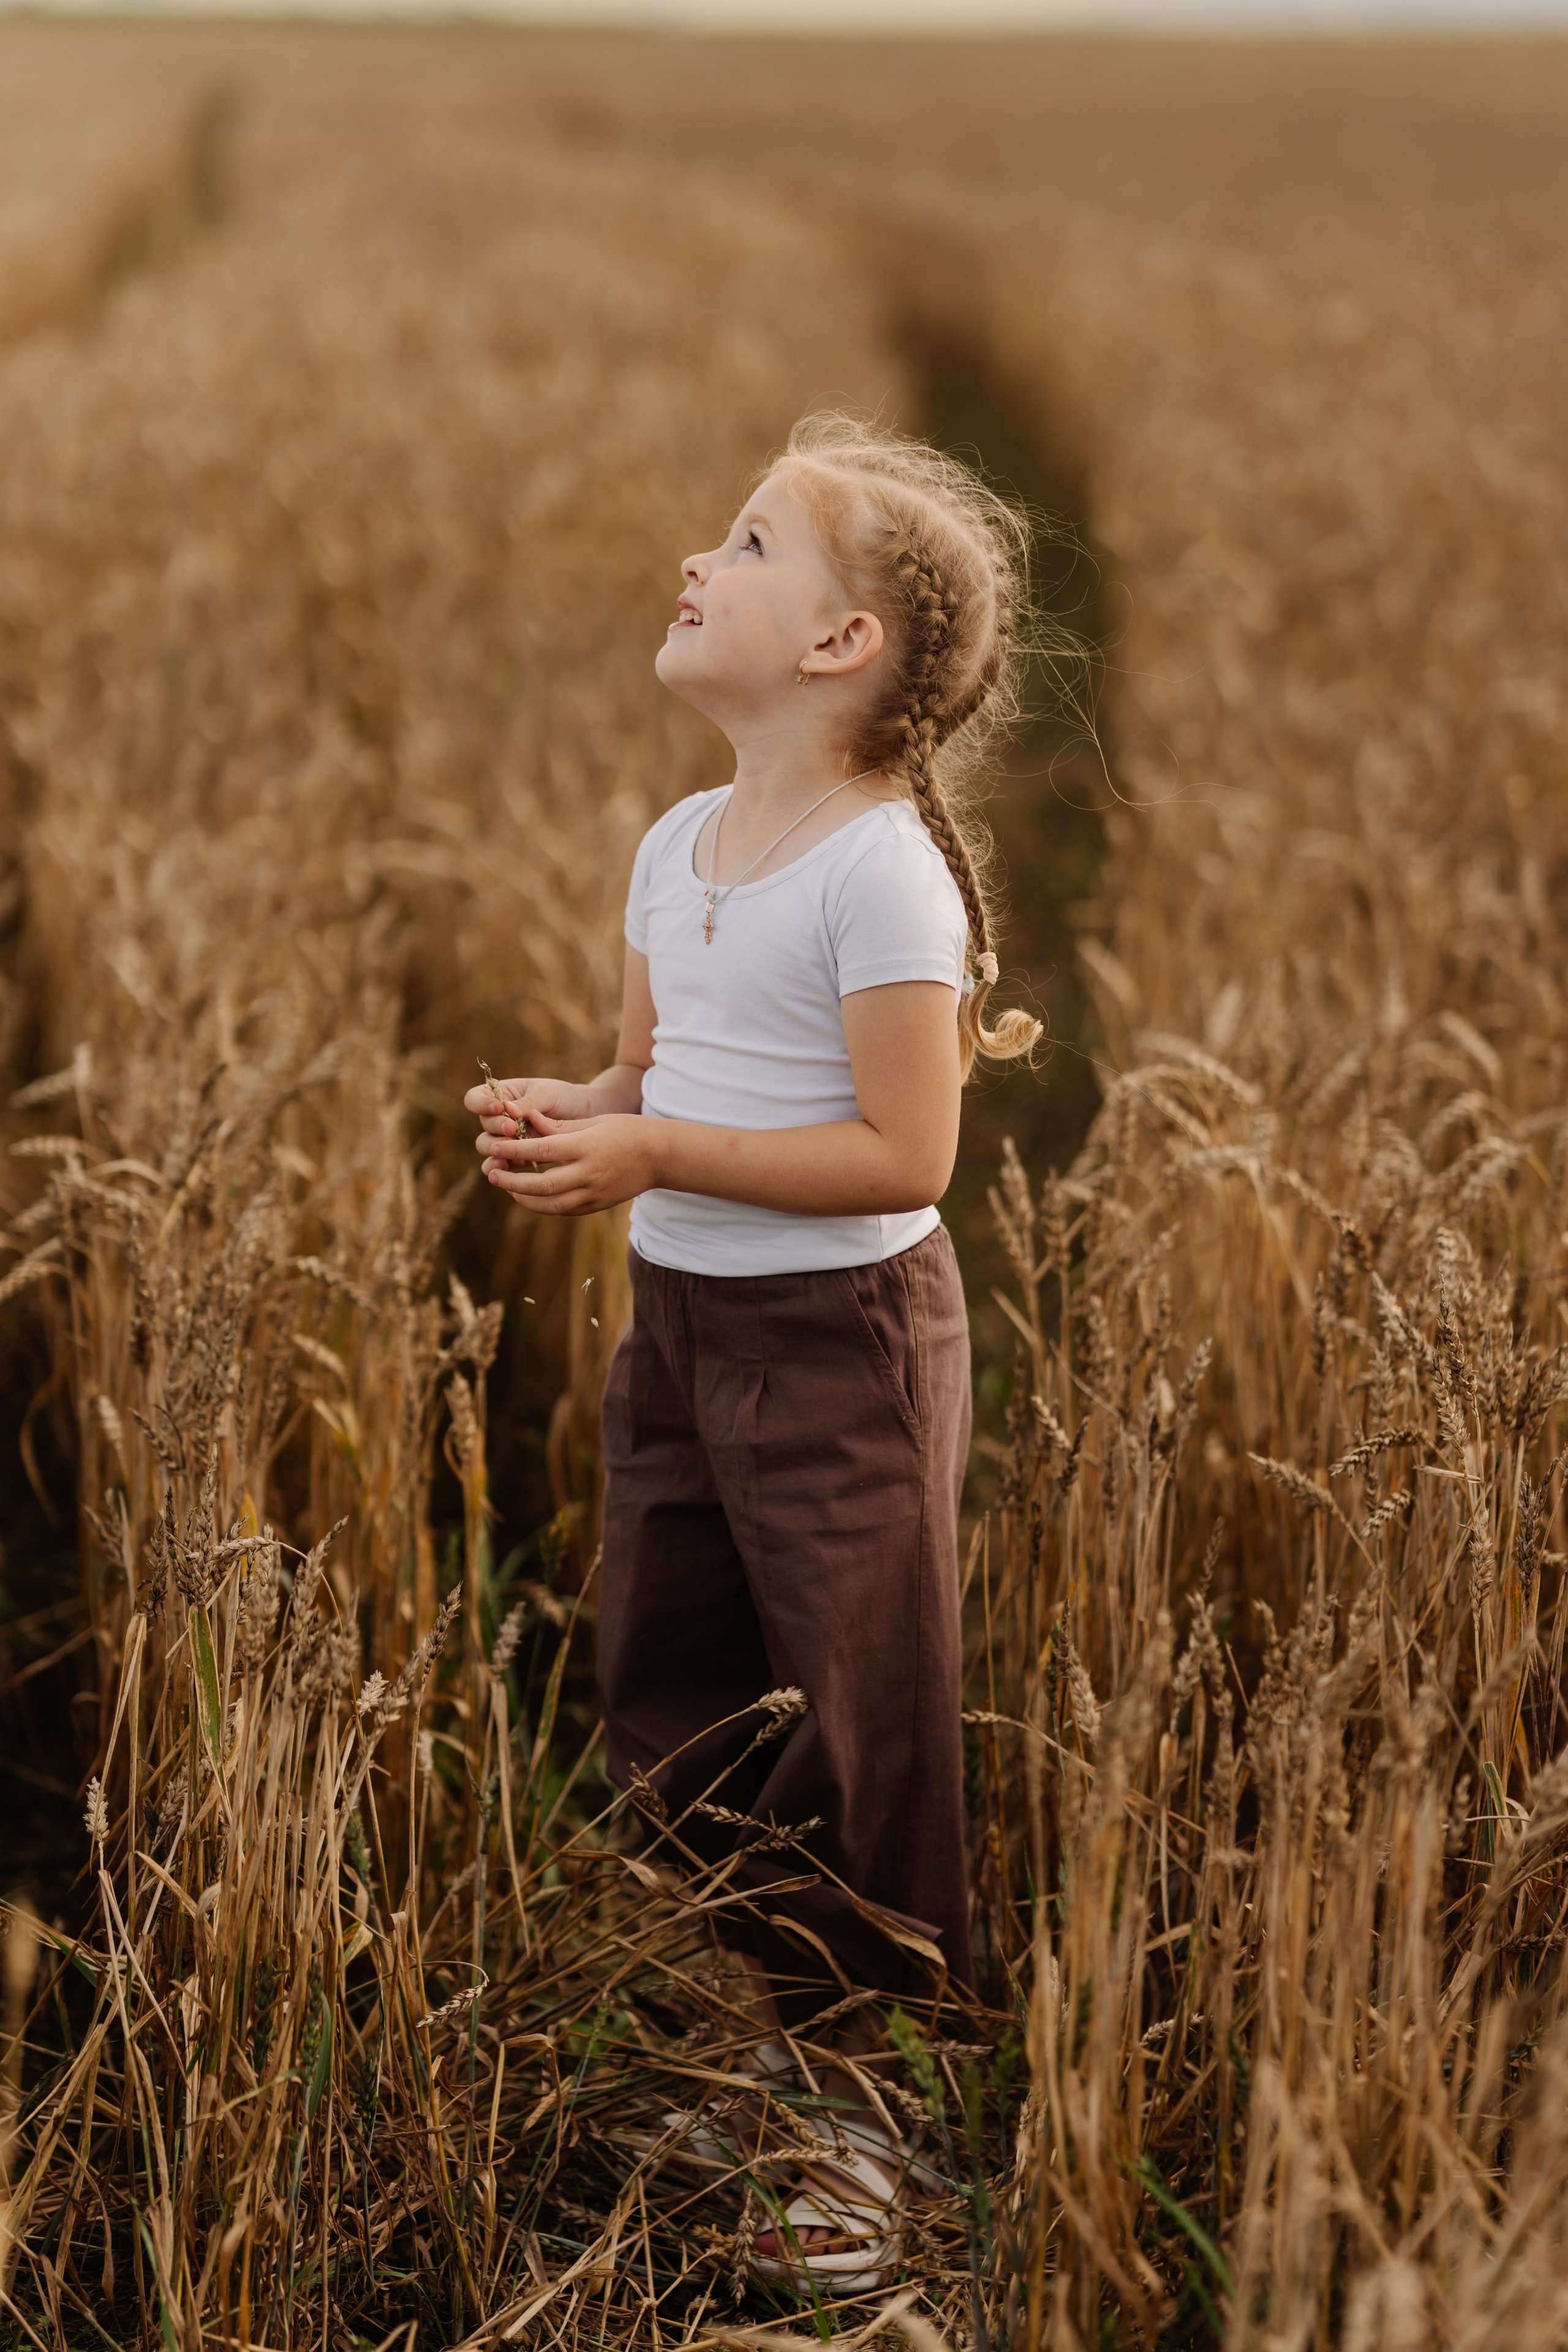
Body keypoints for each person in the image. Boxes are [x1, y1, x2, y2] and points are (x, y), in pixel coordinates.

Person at [466, 413, 1042, 2296]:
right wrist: (588, 1112)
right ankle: (770, 2033)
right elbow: (656, 1072)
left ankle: (860, 2114)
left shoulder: (884, 881)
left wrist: (647, 1152)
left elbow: (904, 1158)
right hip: (678, 1325)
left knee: (854, 1717)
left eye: (749, 543)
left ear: (838, 648)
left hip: (839, 1343)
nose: (698, 562)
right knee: (679, 1689)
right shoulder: (676, 844)